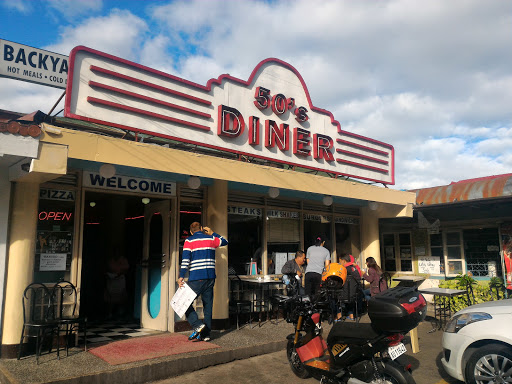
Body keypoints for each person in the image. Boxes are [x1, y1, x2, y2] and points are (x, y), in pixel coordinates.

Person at [178, 222, 228, 342]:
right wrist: (212, 233)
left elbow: (185, 261)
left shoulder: (189, 241)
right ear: (201, 229)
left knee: (181, 302)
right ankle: (206, 335)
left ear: (191, 231)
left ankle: (197, 325)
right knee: (208, 307)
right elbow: (225, 241)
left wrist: (181, 276)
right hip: (210, 278)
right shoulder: (211, 238)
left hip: (196, 278)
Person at [338, 253, 363, 321]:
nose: (339, 263)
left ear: (343, 260)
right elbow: (359, 279)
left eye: (340, 261)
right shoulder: (353, 268)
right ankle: (351, 315)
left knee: (333, 296)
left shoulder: (344, 269)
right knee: (349, 294)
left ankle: (338, 315)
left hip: (345, 295)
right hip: (355, 294)